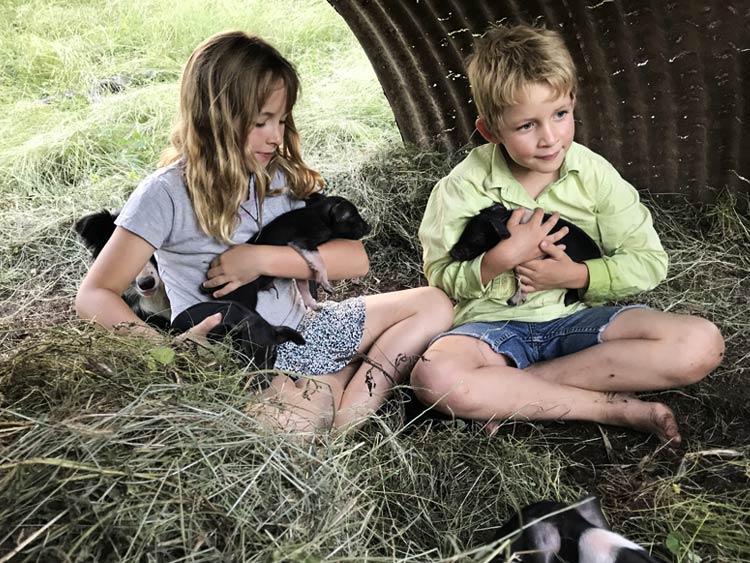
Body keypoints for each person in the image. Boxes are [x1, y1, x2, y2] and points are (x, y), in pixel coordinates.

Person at [76, 31, 453, 433]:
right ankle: (344, 389)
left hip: (307, 329)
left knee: (433, 303)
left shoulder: (278, 177)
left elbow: (355, 260)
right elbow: (94, 294)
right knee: (288, 427)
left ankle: (348, 410)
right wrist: (168, 354)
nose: (275, 135)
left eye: (282, 120)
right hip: (243, 358)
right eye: (261, 122)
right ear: (214, 117)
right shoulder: (165, 194)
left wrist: (259, 260)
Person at [411, 23, 724, 446]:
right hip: (491, 331)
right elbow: (439, 276)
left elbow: (649, 261)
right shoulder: (461, 187)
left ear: (573, 103)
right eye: (526, 126)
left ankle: (511, 392)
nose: (549, 138)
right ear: (490, 131)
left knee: (701, 343)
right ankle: (609, 407)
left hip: (578, 321)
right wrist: (499, 260)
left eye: (560, 115)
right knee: (432, 376)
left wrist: (574, 276)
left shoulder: (593, 175)